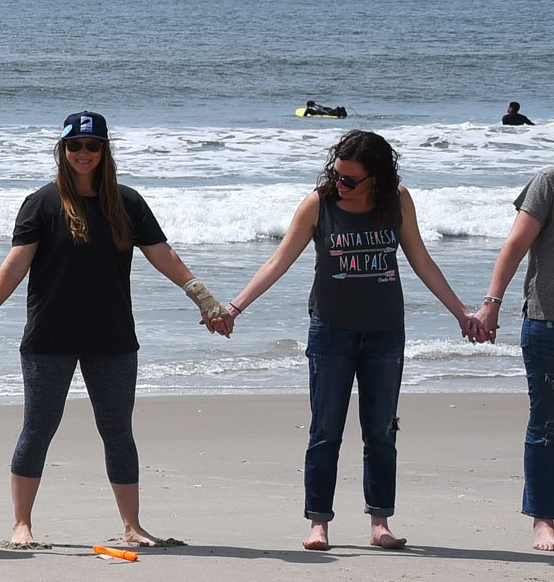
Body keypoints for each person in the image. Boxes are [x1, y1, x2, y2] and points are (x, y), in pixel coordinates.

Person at [0, 112, 226, 550]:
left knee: (117, 429)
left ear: (105, 151)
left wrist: (203, 298)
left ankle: (132, 526)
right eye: (75, 147)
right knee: (38, 427)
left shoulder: (126, 203)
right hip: (50, 337)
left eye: (92, 146)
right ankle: (21, 525)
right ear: (62, 151)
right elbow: (16, 263)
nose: (83, 154)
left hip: (112, 337)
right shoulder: (41, 203)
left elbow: (162, 254)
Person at [220, 131, 480, 551]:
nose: (340, 184)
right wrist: (235, 308)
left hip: (385, 334)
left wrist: (462, 312)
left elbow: (421, 259)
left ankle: (380, 523)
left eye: (350, 179)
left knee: (381, 430)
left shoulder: (397, 200)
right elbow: (278, 260)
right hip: (331, 332)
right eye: (337, 175)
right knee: (326, 430)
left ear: (376, 177)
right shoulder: (318, 204)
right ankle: (318, 523)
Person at [470, 161, 554, 550]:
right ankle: (543, 519)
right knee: (547, 424)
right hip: (547, 321)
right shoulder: (549, 181)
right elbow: (516, 244)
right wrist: (491, 304)